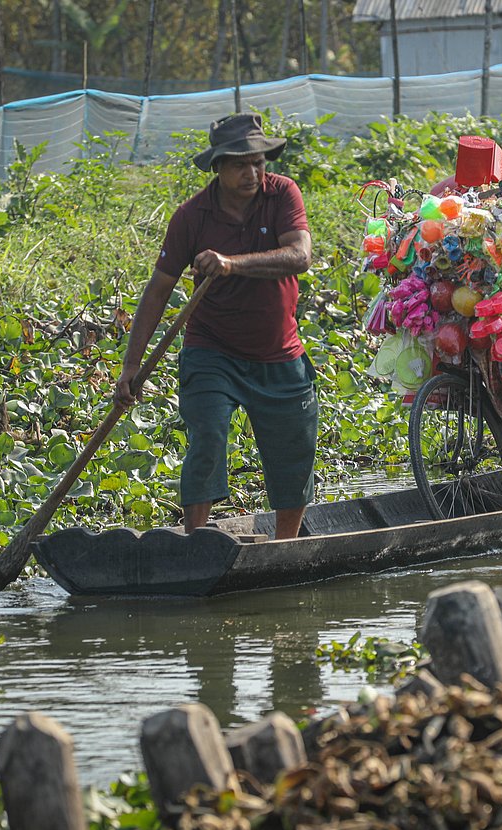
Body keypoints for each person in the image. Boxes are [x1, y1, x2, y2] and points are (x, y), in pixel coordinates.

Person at [115, 113, 316, 538]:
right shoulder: (192, 217)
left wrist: (231, 264)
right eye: (240, 165)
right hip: (213, 351)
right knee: (207, 435)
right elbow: (159, 290)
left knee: (293, 450)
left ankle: (285, 547)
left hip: (278, 351)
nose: (252, 173)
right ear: (217, 167)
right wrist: (131, 365)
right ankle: (196, 542)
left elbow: (299, 256)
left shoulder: (282, 194)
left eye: (258, 162)